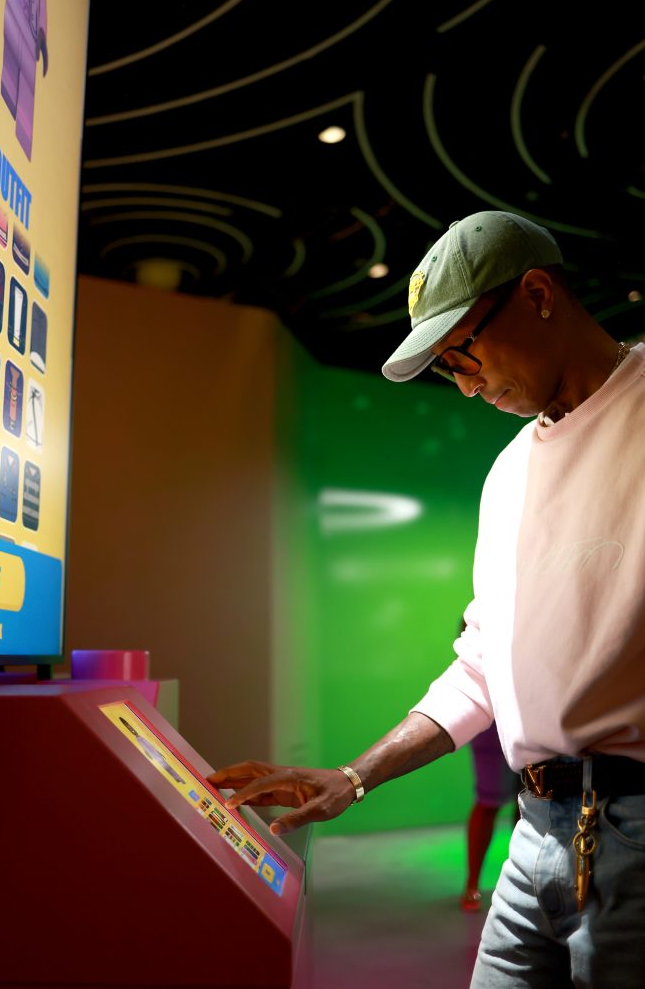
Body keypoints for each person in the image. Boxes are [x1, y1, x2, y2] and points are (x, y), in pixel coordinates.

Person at [208, 210, 645, 988]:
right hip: (533, 836)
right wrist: (355, 776)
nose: (466, 383)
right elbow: (480, 665)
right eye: (447, 369)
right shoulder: (507, 473)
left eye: (464, 351)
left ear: (537, 294)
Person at [461, 721, 520, 912]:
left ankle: (523, 880)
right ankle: (472, 883)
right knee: (487, 804)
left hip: (533, 724)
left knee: (529, 805)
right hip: (492, 725)